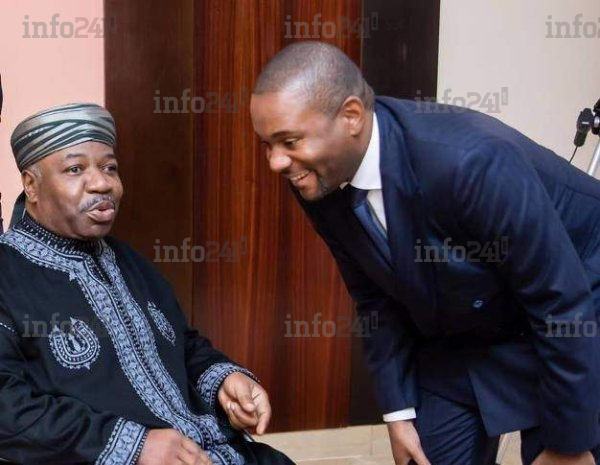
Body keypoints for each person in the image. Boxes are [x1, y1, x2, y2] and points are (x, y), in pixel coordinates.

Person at [250, 41, 600, 465]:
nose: (275, 162)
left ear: (351, 116)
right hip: (473, 323)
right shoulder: (317, 176)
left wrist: (568, 446)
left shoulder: (469, 161)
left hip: (578, 304)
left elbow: (559, 302)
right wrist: (398, 413)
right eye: (267, 144)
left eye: (288, 141)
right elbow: (374, 297)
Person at [0, 103, 293, 465]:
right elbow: (7, 408)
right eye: (75, 169)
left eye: (110, 168)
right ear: (31, 185)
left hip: (215, 451)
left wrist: (225, 380)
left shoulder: (128, 261)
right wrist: (134, 446)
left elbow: (183, 346)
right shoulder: (7, 275)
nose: (102, 183)